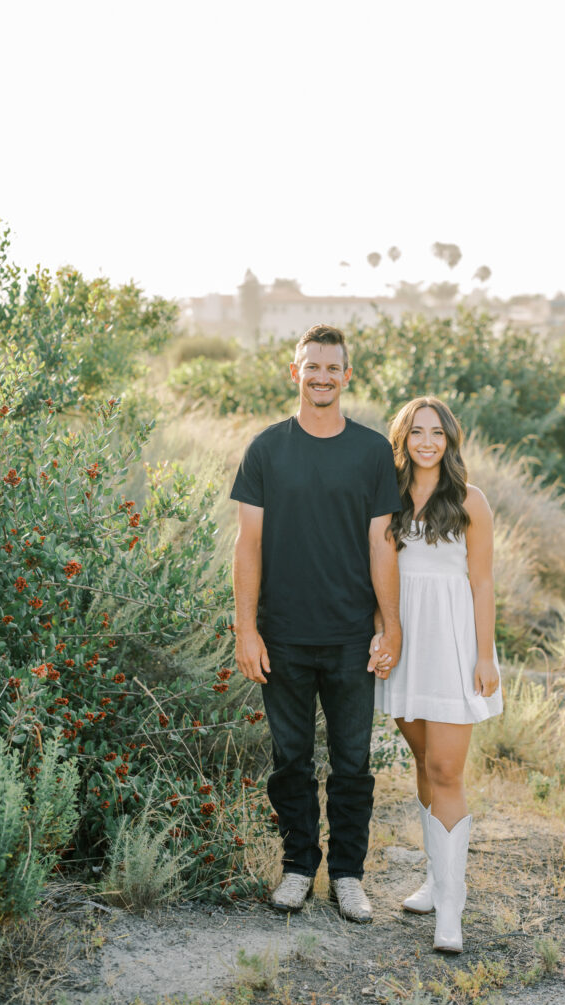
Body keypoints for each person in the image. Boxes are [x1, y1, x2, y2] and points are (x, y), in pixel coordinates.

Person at [230, 323, 402, 923]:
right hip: (283, 638)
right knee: (291, 761)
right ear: (296, 372)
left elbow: (383, 546)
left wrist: (391, 625)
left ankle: (349, 876)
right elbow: (247, 544)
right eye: (313, 367)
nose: (322, 377)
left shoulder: (373, 452)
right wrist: (245, 630)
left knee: (353, 765)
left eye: (333, 368)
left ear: (347, 375)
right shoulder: (266, 449)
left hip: (354, 637)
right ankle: (299, 868)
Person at [372, 396, 502, 953]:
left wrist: (486, 654)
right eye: (417, 432)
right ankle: (434, 878)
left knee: (446, 769)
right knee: (424, 762)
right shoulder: (387, 500)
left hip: (453, 647)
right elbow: (379, 578)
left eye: (437, 434)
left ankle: (452, 908)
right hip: (405, 647)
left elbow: (482, 584)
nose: (427, 442)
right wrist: (382, 632)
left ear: (449, 441)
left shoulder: (469, 501)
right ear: (403, 439)